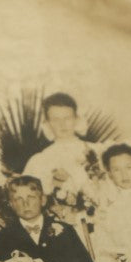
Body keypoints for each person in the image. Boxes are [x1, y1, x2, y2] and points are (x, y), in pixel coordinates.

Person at [22, 92, 108, 234]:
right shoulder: (39, 160)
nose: (62, 124)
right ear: (48, 123)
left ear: (76, 119)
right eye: (55, 119)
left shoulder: (97, 152)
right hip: (59, 232)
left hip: (100, 228)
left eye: (67, 118)